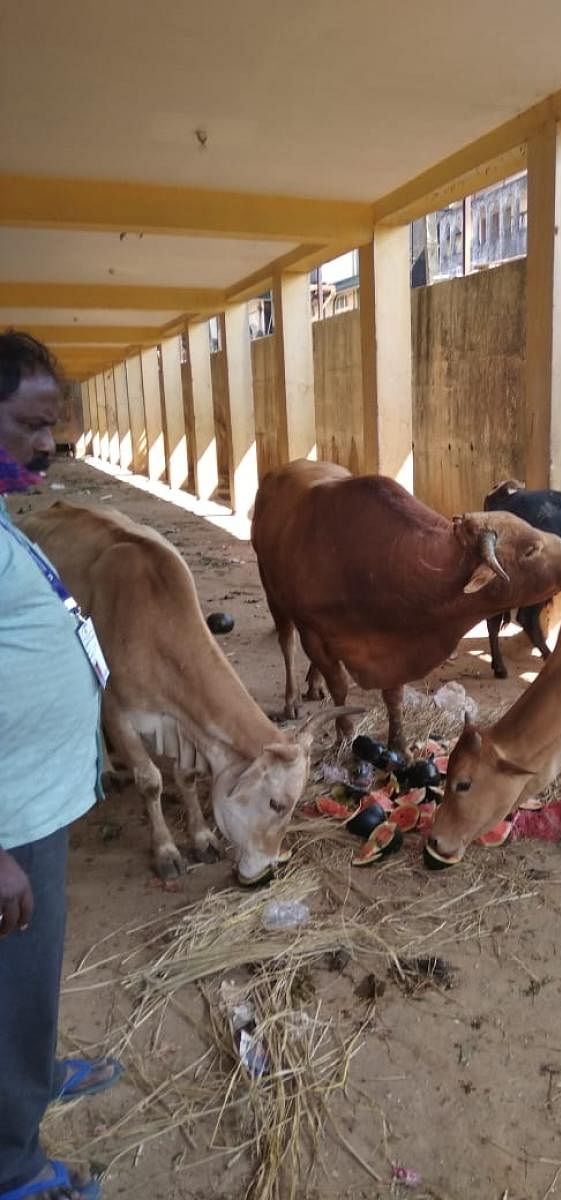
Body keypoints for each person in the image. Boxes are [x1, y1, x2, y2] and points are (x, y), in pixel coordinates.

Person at [0, 331, 122, 1200]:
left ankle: (33, 1075)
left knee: (33, 974)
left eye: (55, 425)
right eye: (30, 424)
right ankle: (13, 1164)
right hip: (7, 821)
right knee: (12, 982)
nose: (50, 443)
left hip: (37, 800)